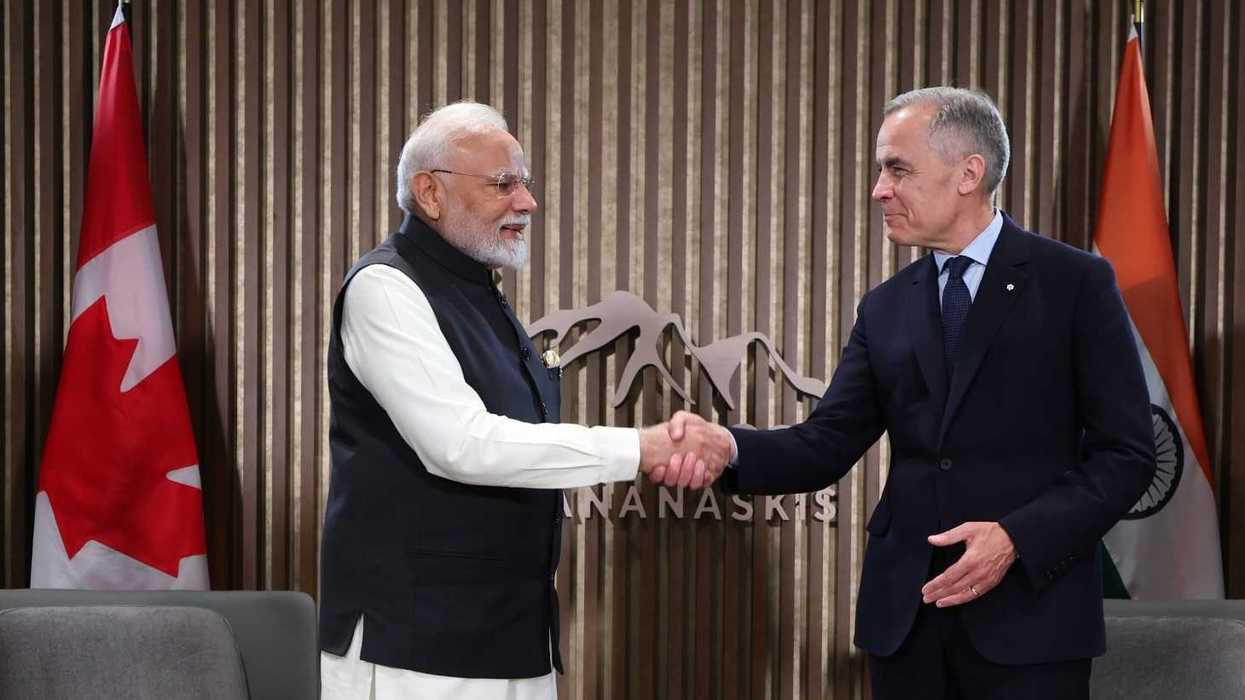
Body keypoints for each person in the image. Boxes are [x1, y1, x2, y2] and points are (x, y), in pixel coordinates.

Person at [656, 87, 1155, 699]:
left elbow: (1127, 455)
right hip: (906, 623)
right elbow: (824, 443)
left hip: (1031, 623)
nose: (879, 190)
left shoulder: (1075, 283)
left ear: (968, 173)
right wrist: (727, 447)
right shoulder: (885, 307)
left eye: (897, 169)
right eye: (881, 171)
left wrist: (1016, 538)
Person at [319, 101, 729, 700]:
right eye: (503, 183)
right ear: (430, 193)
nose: (528, 202)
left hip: (512, 640)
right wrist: (639, 449)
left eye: (525, 183)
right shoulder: (386, 288)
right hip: (414, 649)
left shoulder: (479, 292)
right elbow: (460, 445)